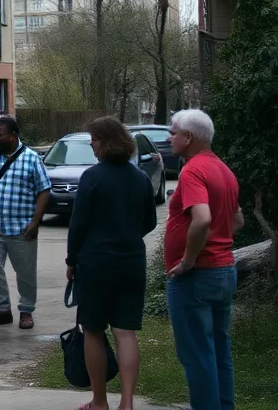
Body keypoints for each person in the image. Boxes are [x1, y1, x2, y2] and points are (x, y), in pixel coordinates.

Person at [66, 117, 158, 410]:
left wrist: (71, 260)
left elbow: (78, 225)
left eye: (93, 139)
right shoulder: (140, 178)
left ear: (104, 141)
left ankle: (100, 401)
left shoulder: (92, 177)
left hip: (95, 263)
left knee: (92, 329)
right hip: (132, 261)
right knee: (125, 331)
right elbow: (150, 221)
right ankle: (127, 403)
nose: (91, 144)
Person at [165, 109, 243, 410]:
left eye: (174, 132)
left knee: (197, 355)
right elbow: (237, 220)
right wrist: (215, 241)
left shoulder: (193, 170)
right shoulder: (223, 169)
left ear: (189, 137)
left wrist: (187, 261)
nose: (170, 138)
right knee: (219, 350)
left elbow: (201, 219)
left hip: (195, 276)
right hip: (223, 270)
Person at [0, 115, 52, 329]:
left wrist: (36, 221)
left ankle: (26, 311)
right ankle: (3, 309)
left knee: (25, 273)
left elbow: (44, 191)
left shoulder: (32, 159)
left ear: (12, 136)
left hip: (23, 229)